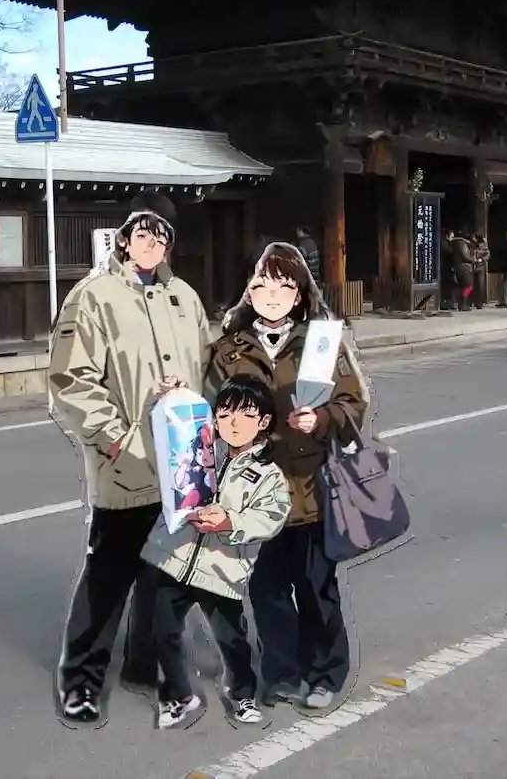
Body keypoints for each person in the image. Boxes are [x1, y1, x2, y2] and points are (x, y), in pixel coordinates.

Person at [49, 193, 216, 726]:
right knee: (108, 577)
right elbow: (71, 379)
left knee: (164, 574)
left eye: (161, 236)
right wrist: (116, 438)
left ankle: (146, 665)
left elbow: (208, 368)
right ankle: (82, 680)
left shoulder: (184, 298)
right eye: (142, 233)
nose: (151, 243)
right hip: (126, 462)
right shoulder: (93, 296)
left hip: (182, 464)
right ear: (124, 238)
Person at [208, 242, 369, 713]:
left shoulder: (321, 343)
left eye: (284, 284)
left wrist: (320, 419)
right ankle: (281, 673)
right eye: (262, 283)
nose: (272, 293)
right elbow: (207, 410)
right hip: (254, 492)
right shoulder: (227, 350)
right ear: (248, 290)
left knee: (316, 588)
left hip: (312, 489)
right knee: (266, 589)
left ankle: (325, 673)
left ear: (299, 292)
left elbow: (354, 404)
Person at [141, 375, 291, 730]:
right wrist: (169, 400)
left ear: (263, 422)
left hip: (222, 570)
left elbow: (271, 516)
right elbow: (164, 436)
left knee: (231, 639)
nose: (233, 423)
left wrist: (229, 521)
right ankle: (179, 694)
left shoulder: (266, 473)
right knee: (161, 630)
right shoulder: (199, 445)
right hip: (175, 558)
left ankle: (242, 695)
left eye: (246, 415)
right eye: (225, 414)